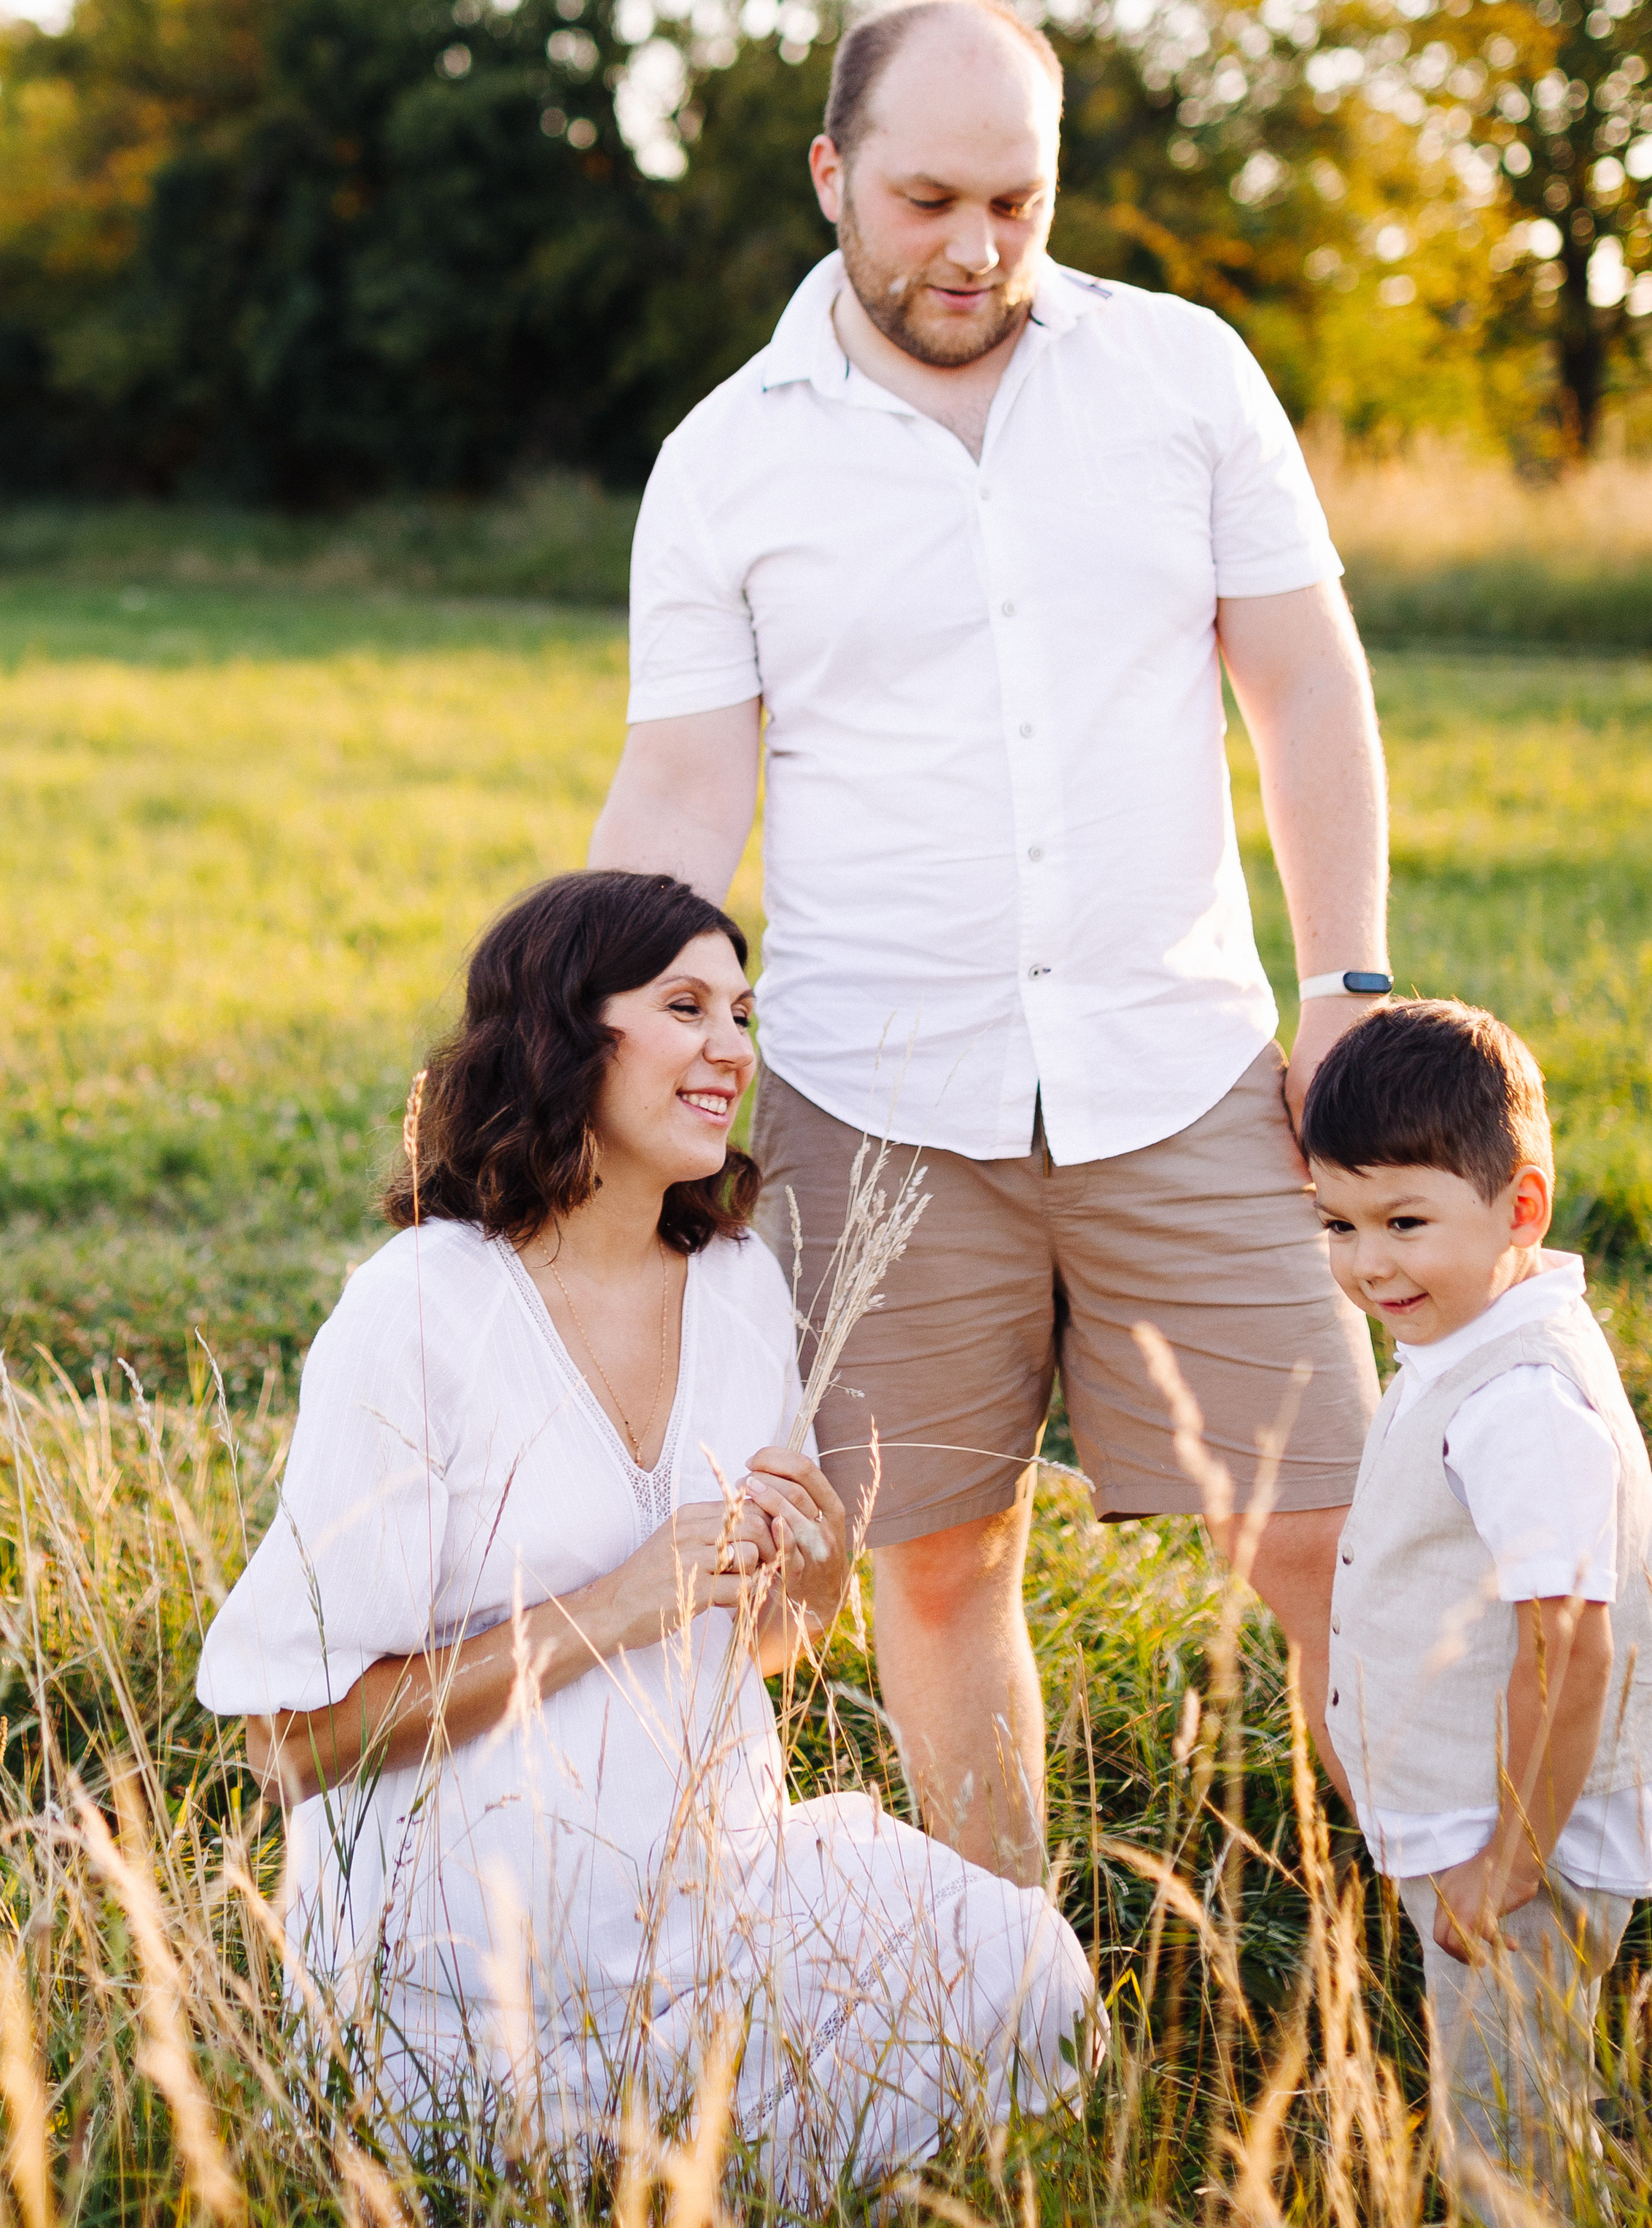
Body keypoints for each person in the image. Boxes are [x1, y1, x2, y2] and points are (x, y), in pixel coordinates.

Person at [591, 0, 1389, 1886]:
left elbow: (1302, 684)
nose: (973, 249)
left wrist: (1345, 980)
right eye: (928, 198)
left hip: (1181, 1070)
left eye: (1015, 203)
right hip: (874, 1101)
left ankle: (1488, 1966)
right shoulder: (725, 463)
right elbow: (691, 789)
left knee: (1328, 1532)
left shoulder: (1182, 376)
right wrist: (595, 1034)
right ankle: (1005, 1998)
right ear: (830, 178)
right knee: (938, 1557)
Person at [195, 870, 1097, 2200]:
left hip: (715, 1907)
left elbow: (763, 1642)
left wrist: (817, 1573)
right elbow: (291, 1745)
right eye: (685, 1006)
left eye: (743, 1011)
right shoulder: (420, 1313)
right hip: (469, 1960)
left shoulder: (739, 1289)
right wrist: (612, 1605)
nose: (732, 1047)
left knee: (1030, 1975)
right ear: (565, 1034)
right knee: (602, 2211)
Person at [1300, 999, 1652, 2210]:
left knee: (1506, 2153)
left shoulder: (1520, 1400)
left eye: (1406, 1221)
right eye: (1339, 1224)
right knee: (1518, 2100)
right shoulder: (1467, 1341)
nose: (1369, 1263)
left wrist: (1510, 1859)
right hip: (1479, 1830)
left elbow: (1568, 1650)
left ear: (1522, 1208)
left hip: (1521, 1842)